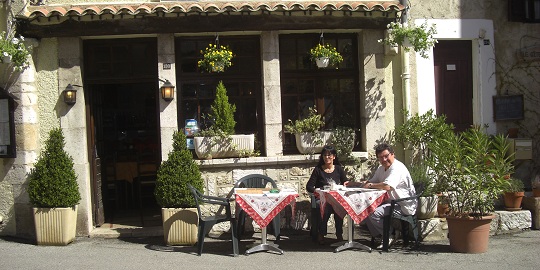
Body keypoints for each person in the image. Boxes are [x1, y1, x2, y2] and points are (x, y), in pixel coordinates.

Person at [345, 143, 416, 248]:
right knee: (365, 210)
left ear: (393, 154)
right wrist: (354, 183)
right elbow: (371, 182)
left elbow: (387, 186)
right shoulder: (381, 168)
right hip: (391, 201)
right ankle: (383, 235)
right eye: (381, 157)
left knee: (373, 213)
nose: (384, 159)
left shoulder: (397, 168)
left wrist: (370, 185)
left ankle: (390, 235)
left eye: (386, 156)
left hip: (403, 204)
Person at [306, 145, 348, 244]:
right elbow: (309, 186)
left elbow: (345, 183)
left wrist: (343, 186)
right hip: (322, 198)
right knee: (326, 206)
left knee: (338, 205)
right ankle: (321, 233)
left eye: (329, 155)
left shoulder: (338, 169)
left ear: (334, 156)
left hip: (336, 197)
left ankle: (339, 233)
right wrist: (317, 191)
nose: (327, 157)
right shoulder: (318, 170)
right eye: (324, 155)